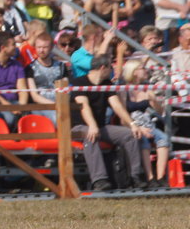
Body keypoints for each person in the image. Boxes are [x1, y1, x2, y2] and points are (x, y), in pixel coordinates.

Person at [69, 55, 146, 191]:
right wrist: (92, 125)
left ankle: (136, 176)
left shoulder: (107, 84)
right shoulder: (79, 82)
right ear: (103, 68)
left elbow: (116, 106)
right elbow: (83, 106)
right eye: (111, 67)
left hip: (100, 126)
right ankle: (99, 180)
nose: (112, 70)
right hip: (77, 127)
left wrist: (132, 124)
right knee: (91, 135)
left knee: (130, 135)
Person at [121, 61, 168, 186]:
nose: (146, 70)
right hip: (132, 125)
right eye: (143, 68)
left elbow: (161, 111)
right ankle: (150, 177)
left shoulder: (146, 88)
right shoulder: (123, 90)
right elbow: (122, 116)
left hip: (148, 124)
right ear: (134, 71)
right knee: (144, 142)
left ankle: (160, 176)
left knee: (163, 138)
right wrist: (138, 128)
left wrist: (154, 100)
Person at [24, 33, 68, 123]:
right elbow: (35, 96)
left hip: (60, 102)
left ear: (51, 47)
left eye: (45, 47)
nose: (41, 50)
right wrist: (54, 105)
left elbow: (65, 89)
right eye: (39, 47)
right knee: (57, 119)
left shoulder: (61, 66)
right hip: (40, 106)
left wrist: (60, 104)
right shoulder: (30, 68)